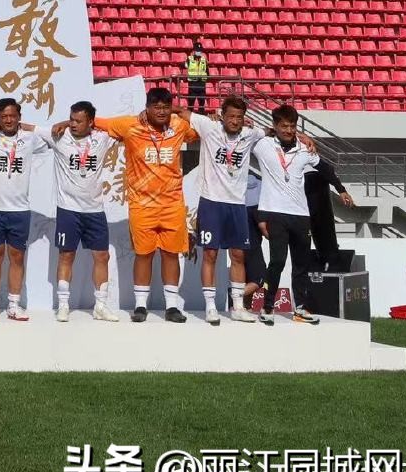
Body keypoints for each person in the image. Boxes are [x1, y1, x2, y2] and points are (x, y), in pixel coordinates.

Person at [95, 88, 199, 323]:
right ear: (147, 107)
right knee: (144, 255)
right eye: (156, 107)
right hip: (142, 205)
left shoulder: (179, 125)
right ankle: (140, 306)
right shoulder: (129, 125)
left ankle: (172, 307)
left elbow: (206, 130)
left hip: (172, 205)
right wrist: (66, 122)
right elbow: (96, 122)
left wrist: (180, 111)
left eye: (166, 107)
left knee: (171, 255)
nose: (161, 112)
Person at [182, 96, 265, 325]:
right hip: (212, 202)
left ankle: (237, 307)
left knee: (238, 255)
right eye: (231, 116)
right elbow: (179, 111)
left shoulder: (250, 134)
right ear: (222, 115)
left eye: (239, 117)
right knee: (211, 254)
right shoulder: (208, 127)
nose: (235, 121)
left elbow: (271, 131)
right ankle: (210, 307)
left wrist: (304, 137)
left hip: (237, 204)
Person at [0, 98, 52, 322]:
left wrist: (28, 127)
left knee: (17, 257)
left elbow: (53, 136)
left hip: (19, 210)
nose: (8, 120)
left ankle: (14, 304)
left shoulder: (30, 139)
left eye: (13, 116)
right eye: (3, 117)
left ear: (19, 117)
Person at [47, 101, 121, 322]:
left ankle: (101, 306)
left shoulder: (102, 138)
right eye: (71, 119)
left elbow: (124, 128)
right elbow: (26, 129)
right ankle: (63, 305)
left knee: (102, 256)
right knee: (66, 255)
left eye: (79, 121)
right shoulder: (59, 136)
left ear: (91, 122)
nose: (73, 124)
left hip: (94, 210)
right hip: (68, 209)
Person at [251, 105, 321, 325]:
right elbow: (240, 134)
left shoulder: (304, 148)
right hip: (276, 215)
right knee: (277, 262)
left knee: (301, 264)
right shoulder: (262, 144)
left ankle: (300, 308)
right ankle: (267, 307)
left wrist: (342, 189)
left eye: (292, 126)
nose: (289, 130)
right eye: (284, 126)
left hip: (301, 216)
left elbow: (323, 167)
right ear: (275, 125)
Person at [184, 41, 210, 113]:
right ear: (194, 51)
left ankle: (201, 113)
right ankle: (189, 113)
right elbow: (184, 66)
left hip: (201, 82)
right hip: (192, 82)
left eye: (200, 51)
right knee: (191, 100)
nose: (199, 52)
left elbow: (207, 70)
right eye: (197, 51)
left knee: (202, 100)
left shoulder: (204, 59)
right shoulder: (189, 59)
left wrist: (206, 78)